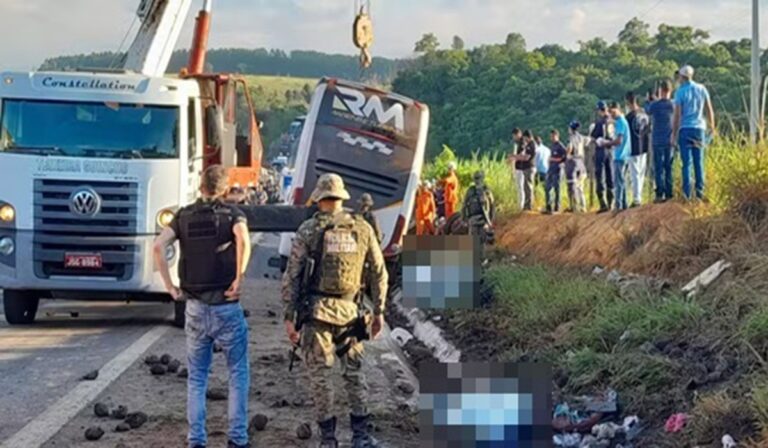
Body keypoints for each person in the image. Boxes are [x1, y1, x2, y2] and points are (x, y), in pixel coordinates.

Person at [282, 173, 387, 448]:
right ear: (341, 198)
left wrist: (289, 317)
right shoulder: (362, 228)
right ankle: (361, 436)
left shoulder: (308, 230)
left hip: (317, 313)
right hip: (351, 313)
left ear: (319, 199)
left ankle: (328, 439)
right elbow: (379, 272)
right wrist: (379, 312)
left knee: (320, 376)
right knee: (354, 373)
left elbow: (292, 275)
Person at [153, 165, 252, 448]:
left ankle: (196, 439)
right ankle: (237, 439)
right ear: (224, 188)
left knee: (197, 376)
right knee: (237, 372)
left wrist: (170, 286)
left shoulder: (183, 216)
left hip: (194, 307)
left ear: (201, 186)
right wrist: (238, 279)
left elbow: (158, 247)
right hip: (226, 306)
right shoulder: (232, 215)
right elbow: (243, 240)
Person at [672, 65, 716, 201]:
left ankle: (687, 193)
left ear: (682, 77)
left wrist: (674, 134)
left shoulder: (680, 92)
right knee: (699, 161)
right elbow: (709, 109)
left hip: (685, 128)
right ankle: (700, 192)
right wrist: (712, 126)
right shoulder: (702, 89)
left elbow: (677, 115)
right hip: (699, 128)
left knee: (687, 163)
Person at [648, 80, 676, 202]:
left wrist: (652, 99)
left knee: (658, 168)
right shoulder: (673, 105)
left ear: (661, 90)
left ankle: (659, 193)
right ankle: (669, 193)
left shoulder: (655, 105)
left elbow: (647, 110)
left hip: (657, 140)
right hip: (669, 140)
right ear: (670, 91)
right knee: (668, 167)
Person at [625, 92, 651, 207]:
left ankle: (637, 199)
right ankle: (638, 196)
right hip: (644, 146)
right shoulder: (644, 113)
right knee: (641, 173)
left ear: (628, 102)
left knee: (635, 174)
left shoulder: (629, 117)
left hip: (633, 148)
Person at [607, 101, 632, 212]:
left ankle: (618, 205)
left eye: (613, 112)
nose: (611, 115)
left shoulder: (621, 122)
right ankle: (624, 204)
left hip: (620, 156)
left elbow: (619, 141)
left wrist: (606, 143)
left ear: (618, 109)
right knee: (621, 181)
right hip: (623, 155)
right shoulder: (620, 122)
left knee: (618, 182)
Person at [590, 101, 615, 213]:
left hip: (601, 150)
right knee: (610, 174)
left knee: (600, 176)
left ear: (600, 110)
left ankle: (603, 203)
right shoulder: (613, 121)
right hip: (611, 150)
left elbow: (593, 137)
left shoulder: (600, 122)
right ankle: (612, 203)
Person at [462, 171, 496, 243]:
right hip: (476, 220)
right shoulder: (472, 190)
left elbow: (492, 206)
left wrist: (490, 220)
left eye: (478, 178)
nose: (477, 180)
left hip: (482, 220)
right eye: (476, 178)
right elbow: (464, 205)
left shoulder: (486, 191)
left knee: (480, 242)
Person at [511, 130, 536, 211]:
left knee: (528, 187)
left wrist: (515, 157)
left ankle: (529, 205)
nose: (524, 139)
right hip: (526, 168)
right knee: (526, 187)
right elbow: (523, 155)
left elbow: (526, 157)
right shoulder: (528, 144)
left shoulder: (531, 145)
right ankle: (527, 204)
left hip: (529, 167)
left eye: (525, 138)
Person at [566, 121, 588, 213]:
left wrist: (567, 155)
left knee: (573, 186)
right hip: (581, 163)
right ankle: (583, 206)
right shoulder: (582, 138)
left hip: (573, 163)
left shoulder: (571, 137)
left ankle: (574, 207)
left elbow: (570, 147)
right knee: (580, 187)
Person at [545, 129, 567, 214]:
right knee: (547, 187)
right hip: (551, 169)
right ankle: (548, 206)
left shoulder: (560, 146)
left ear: (557, 136)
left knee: (557, 188)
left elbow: (564, 157)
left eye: (554, 136)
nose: (552, 138)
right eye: (551, 136)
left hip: (557, 169)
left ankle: (557, 206)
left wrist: (555, 159)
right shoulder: (552, 145)